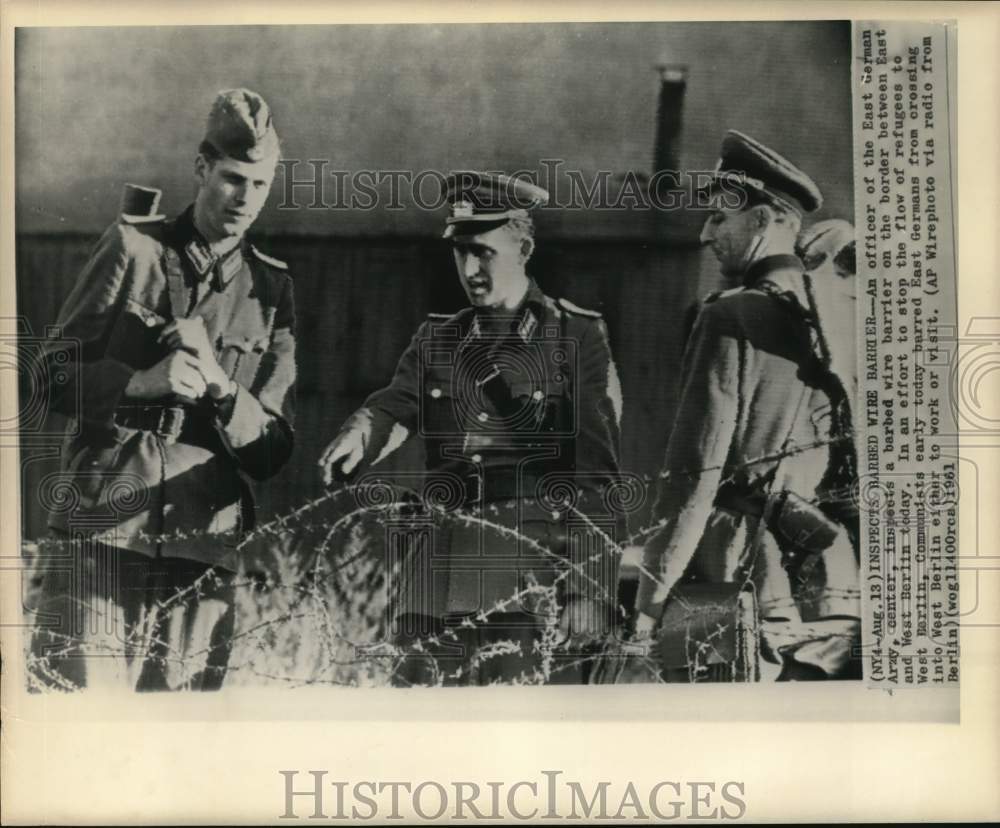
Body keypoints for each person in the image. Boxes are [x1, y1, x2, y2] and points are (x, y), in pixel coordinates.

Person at [28, 88, 296, 691]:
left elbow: (274, 450)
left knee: (176, 744)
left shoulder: (272, 291)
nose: (244, 199)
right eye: (231, 179)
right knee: (81, 725)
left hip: (200, 545)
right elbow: (43, 378)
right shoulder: (136, 249)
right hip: (103, 530)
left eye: (259, 185)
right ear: (201, 169)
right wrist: (139, 382)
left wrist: (226, 392)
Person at [319, 171, 624, 685]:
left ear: (524, 248)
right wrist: (359, 432)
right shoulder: (439, 337)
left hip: (525, 573)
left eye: (484, 252)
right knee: (421, 727)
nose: (469, 268)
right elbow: (394, 406)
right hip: (434, 572)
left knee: (509, 730)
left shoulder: (575, 335)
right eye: (460, 252)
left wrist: (589, 587)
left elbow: (597, 474)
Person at [635, 131, 860, 681]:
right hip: (837, 585)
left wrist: (648, 600)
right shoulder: (840, 315)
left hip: (746, 585)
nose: (706, 233)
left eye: (719, 218)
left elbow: (695, 474)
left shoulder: (729, 316)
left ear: (761, 221)